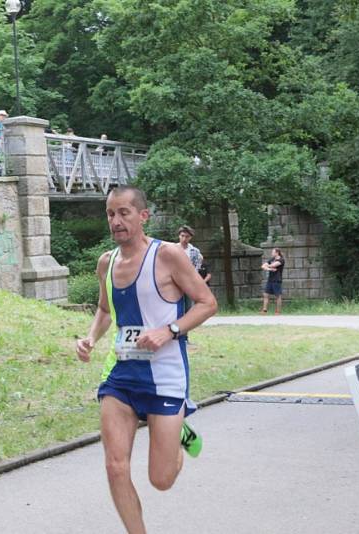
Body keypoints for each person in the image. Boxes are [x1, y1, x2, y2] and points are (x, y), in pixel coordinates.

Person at [75, 186, 217, 534]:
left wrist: (169, 330)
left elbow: (207, 303)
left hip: (166, 376)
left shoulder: (168, 256)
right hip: (122, 376)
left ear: (143, 216)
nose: (116, 221)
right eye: (110, 214)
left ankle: (174, 430)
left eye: (124, 213)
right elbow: (106, 308)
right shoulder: (106, 263)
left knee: (161, 479)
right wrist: (91, 337)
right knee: (115, 467)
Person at [261, 248, 285, 315]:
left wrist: (267, 267)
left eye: (273, 252)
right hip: (270, 280)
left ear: (277, 252)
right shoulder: (272, 259)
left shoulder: (281, 260)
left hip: (277, 280)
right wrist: (270, 269)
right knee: (266, 295)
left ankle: (278, 311)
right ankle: (264, 311)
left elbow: (273, 265)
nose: (272, 253)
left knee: (278, 296)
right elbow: (262, 266)